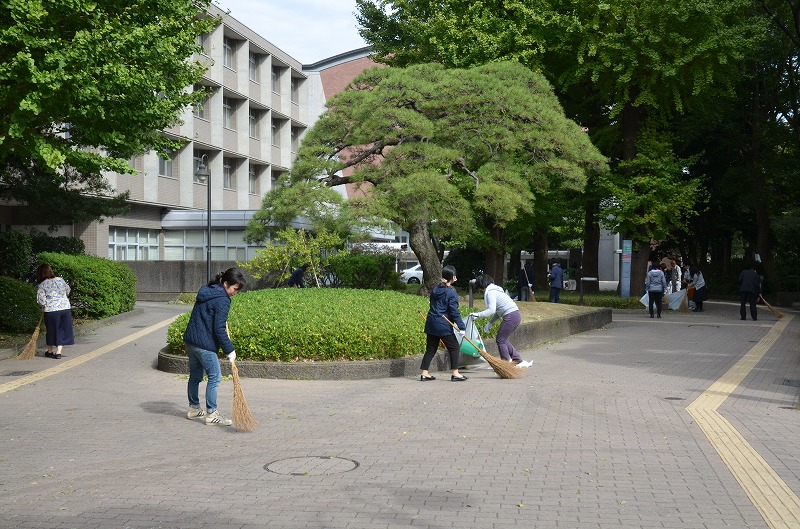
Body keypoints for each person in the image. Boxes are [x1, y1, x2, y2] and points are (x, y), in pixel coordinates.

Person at [184, 267, 246, 426]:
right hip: (204, 344)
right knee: (215, 376)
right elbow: (218, 328)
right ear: (226, 284)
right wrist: (230, 350)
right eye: (234, 289)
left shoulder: (206, 290)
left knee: (195, 376)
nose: (235, 293)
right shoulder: (223, 300)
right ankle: (211, 413)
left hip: (191, 340)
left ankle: (194, 409)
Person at [420, 265, 469, 382]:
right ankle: (455, 373)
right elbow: (454, 311)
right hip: (442, 324)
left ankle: (424, 373)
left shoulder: (435, 289)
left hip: (431, 322)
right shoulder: (451, 292)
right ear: (453, 277)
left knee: (431, 349)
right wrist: (462, 327)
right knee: (454, 348)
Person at [470, 274, 523, 363]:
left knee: (500, 339)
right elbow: (498, 312)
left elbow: (491, 310)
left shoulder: (491, 292)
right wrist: (490, 322)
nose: (480, 290)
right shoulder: (496, 290)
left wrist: (477, 315)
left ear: (482, 285)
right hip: (514, 315)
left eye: (479, 287)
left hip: (511, 316)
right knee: (503, 339)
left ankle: (505, 363)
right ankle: (517, 359)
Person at [35, 264, 74, 359]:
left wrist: (43, 306)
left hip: (51, 310)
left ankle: (50, 351)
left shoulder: (43, 285)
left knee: (51, 330)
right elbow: (68, 290)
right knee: (62, 329)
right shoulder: (60, 280)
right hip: (65, 308)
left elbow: (41, 300)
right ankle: (59, 352)